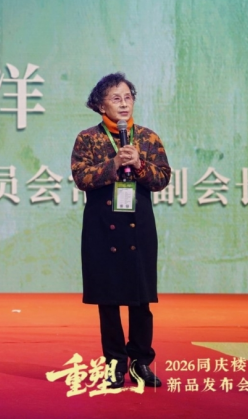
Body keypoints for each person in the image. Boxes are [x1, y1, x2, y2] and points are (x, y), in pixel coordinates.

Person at [70, 72, 171, 389]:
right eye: (116, 98)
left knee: (141, 300)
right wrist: (112, 165)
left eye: (128, 97)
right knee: (109, 300)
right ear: (101, 105)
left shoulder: (148, 138)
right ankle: (114, 365)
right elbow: (81, 178)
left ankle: (141, 364)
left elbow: (162, 178)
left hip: (139, 226)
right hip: (102, 228)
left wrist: (139, 164)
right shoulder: (87, 139)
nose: (124, 104)